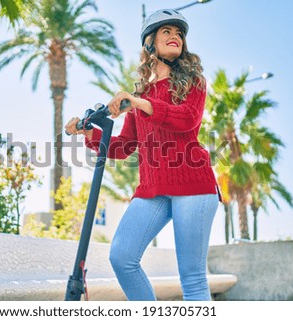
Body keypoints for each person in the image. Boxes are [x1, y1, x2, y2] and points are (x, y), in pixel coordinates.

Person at [65, 9, 221, 301]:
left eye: (179, 34)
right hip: (153, 189)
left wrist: (139, 102)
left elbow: (186, 119)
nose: (175, 36)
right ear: (149, 44)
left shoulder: (193, 83)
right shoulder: (143, 97)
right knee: (122, 257)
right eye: (167, 32)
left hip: (194, 186)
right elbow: (124, 146)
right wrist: (89, 135)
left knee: (192, 278)